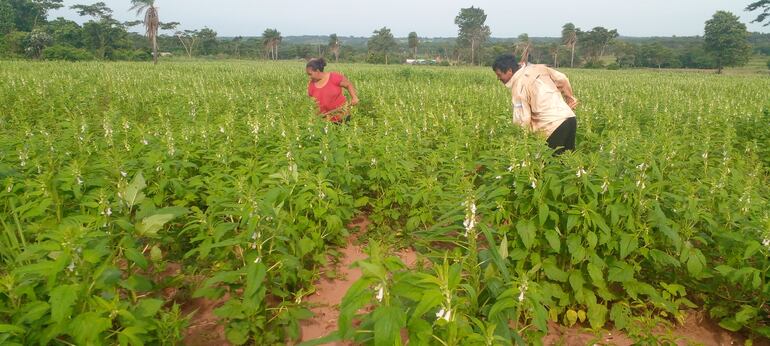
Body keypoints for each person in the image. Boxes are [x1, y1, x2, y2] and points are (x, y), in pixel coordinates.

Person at [492, 54, 579, 155]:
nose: (498, 78)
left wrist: (520, 140)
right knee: (567, 161)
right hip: (570, 118)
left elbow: (522, 119)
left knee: (548, 166)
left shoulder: (518, 86)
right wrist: (570, 99)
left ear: (509, 71)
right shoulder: (538, 68)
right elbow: (562, 78)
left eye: (499, 75)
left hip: (551, 126)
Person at [306, 58, 359, 123]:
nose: (309, 77)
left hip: (342, 117)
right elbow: (312, 103)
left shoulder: (334, 77)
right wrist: (313, 117)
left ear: (317, 71)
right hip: (325, 120)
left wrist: (354, 97)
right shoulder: (311, 85)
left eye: (310, 74)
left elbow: (348, 84)